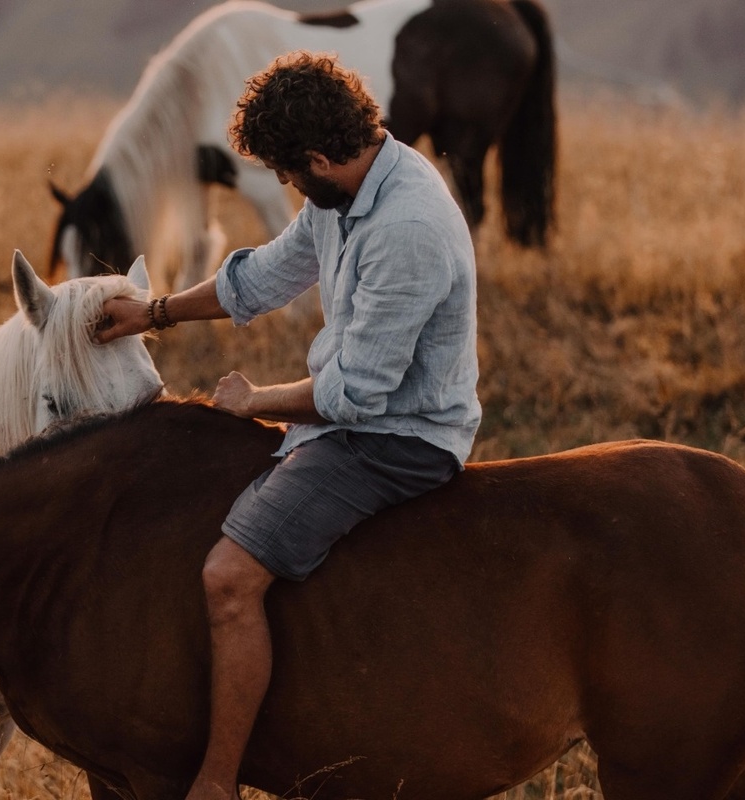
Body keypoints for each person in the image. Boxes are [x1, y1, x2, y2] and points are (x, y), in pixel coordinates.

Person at [93, 51, 481, 800]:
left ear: (315, 157)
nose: (290, 189)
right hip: (350, 420)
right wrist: (154, 313)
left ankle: (217, 782)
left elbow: (360, 394)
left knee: (228, 576)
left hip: (398, 440)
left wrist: (254, 400)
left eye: (289, 174)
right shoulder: (350, 187)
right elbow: (264, 276)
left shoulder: (407, 227)